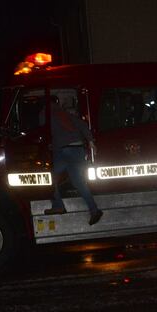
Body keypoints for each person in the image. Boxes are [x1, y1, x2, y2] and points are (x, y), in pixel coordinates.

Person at [43, 96, 103, 225]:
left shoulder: (45, 113)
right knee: (79, 182)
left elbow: (44, 133)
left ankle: (58, 205)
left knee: (49, 179)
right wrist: (91, 142)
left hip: (64, 150)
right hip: (78, 148)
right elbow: (82, 124)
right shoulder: (64, 113)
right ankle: (94, 210)